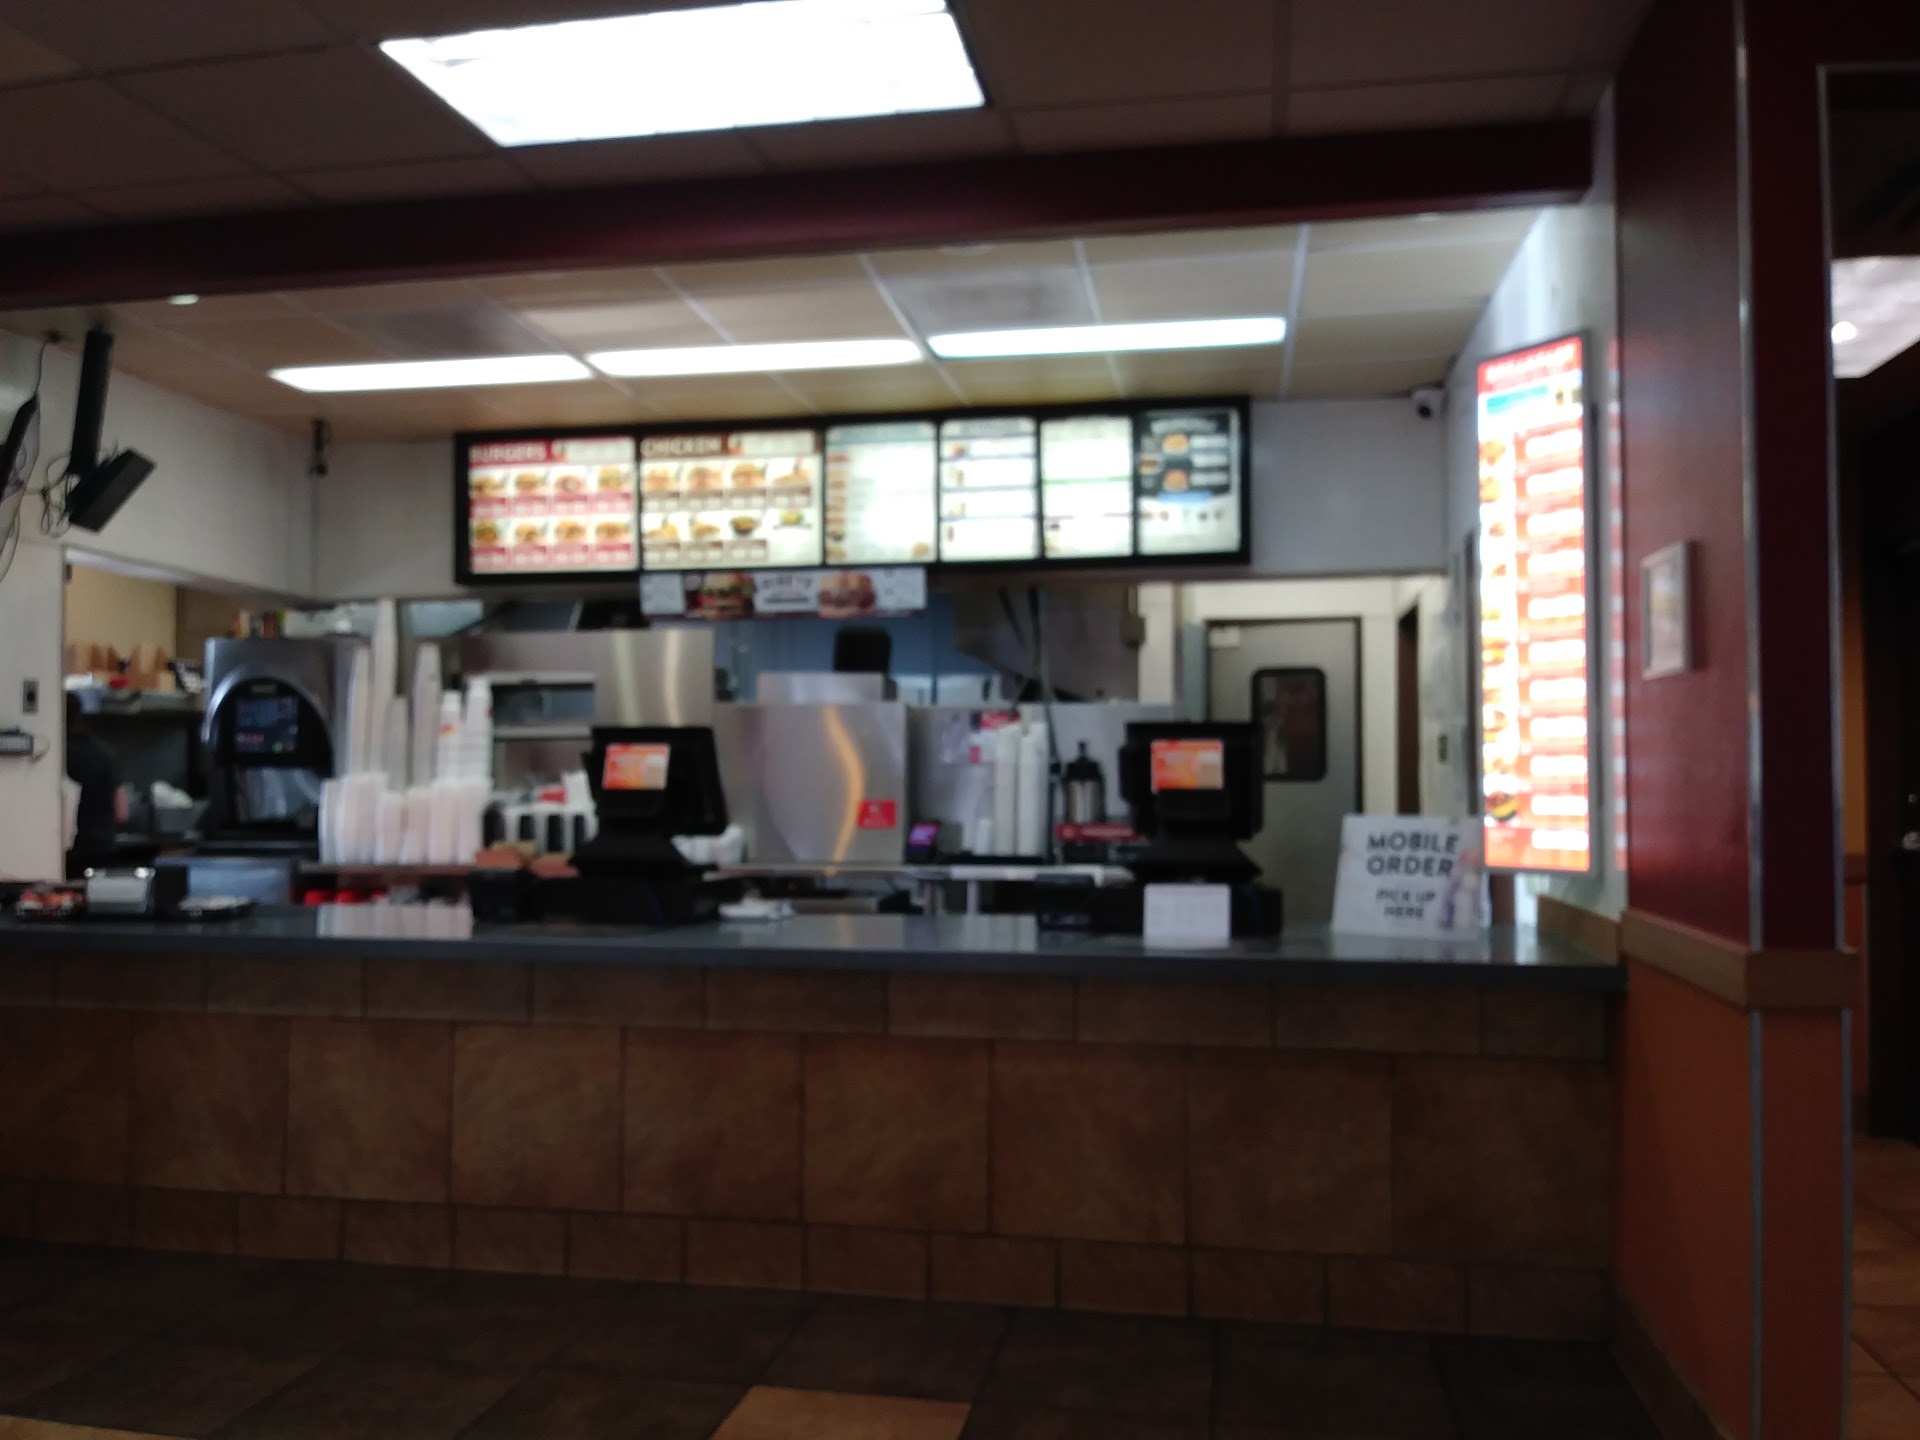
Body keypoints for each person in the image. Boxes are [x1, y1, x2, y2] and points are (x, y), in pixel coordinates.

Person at [65, 692, 125, 878]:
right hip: (101, 848)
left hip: (66, 850)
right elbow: (122, 813)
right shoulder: (105, 753)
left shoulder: (55, 756)